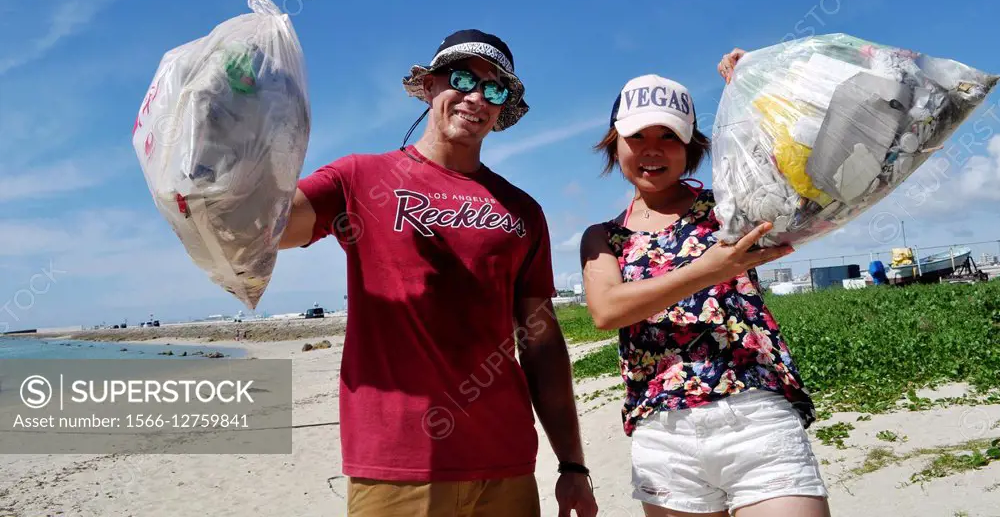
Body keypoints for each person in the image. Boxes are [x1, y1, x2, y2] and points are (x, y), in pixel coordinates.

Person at [279, 29, 599, 517]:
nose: (476, 97)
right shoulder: (359, 179)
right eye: (462, 78)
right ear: (428, 85)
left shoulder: (522, 210)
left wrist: (572, 464)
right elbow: (271, 227)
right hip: (397, 465)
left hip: (506, 461)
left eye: (493, 89)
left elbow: (540, 341)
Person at [579, 61, 831, 516]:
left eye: (669, 137)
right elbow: (606, 310)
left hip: (755, 410)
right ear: (614, 143)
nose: (652, 149)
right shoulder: (603, 237)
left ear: (691, 148)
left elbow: (798, 172)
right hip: (663, 430)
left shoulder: (732, 206)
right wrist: (712, 268)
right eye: (637, 136)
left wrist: (755, 81)